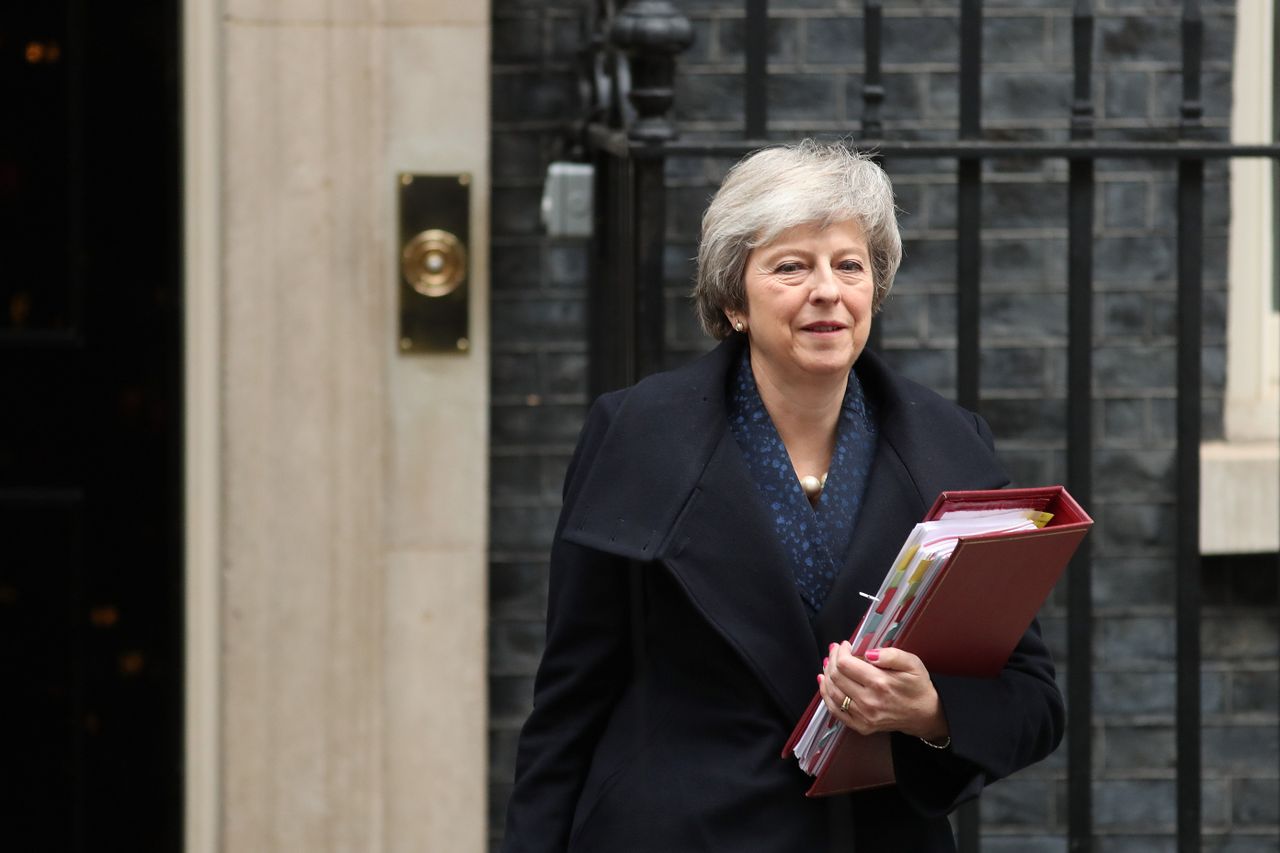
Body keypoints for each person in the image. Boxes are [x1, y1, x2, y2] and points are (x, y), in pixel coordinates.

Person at [501, 140, 1064, 852]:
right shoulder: (638, 434)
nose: (826, 290)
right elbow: (570, 700)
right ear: (735, 298)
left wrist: (931, 710)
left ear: (874, 289)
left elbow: (1034, 700)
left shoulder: (953, 448)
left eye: (849, 265)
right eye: (791, 266)